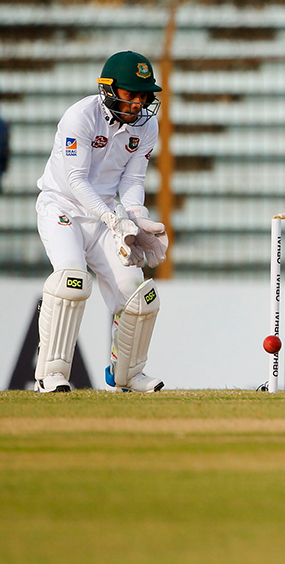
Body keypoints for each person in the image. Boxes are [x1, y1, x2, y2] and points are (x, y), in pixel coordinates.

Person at [33, 51, 169, 393]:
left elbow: (133, 181)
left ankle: (126, 374)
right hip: (62, 207)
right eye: (131, 94)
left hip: (107, 215)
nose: (138, 103)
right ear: (108, 89)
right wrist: (115, 219)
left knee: (135, 293)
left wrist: (137, 219)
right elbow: (76, 180)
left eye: (144, 95)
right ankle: (50, 374)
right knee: (71, 281)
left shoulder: (147, 125)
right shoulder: (79, 116)